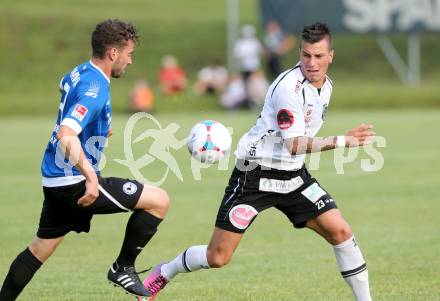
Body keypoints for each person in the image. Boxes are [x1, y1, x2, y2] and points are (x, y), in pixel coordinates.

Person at [141, 23, 374, 301]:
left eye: (319, 56)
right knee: (218, 257)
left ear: (331, 56)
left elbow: (296, 148)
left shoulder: (327, 87)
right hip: (255, 175)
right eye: (306, 55)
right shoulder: (288, 88)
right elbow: (295, 144)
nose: (312, 63)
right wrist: (343, 140)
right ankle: (165, 272)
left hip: (294, 176)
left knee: (340, 231)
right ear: (299, 53)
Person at [0, 20, 170, 300]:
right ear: (113, 53)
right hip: (74, 183)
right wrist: (92, 179)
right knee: (159, 200)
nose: (130, 61)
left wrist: (99, 125)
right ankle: (122, 268)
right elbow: (67, 135)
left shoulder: (80, 72)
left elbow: (63, 86)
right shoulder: (95, 87)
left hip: (54, 180)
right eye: (128, 54)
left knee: (38, 250)